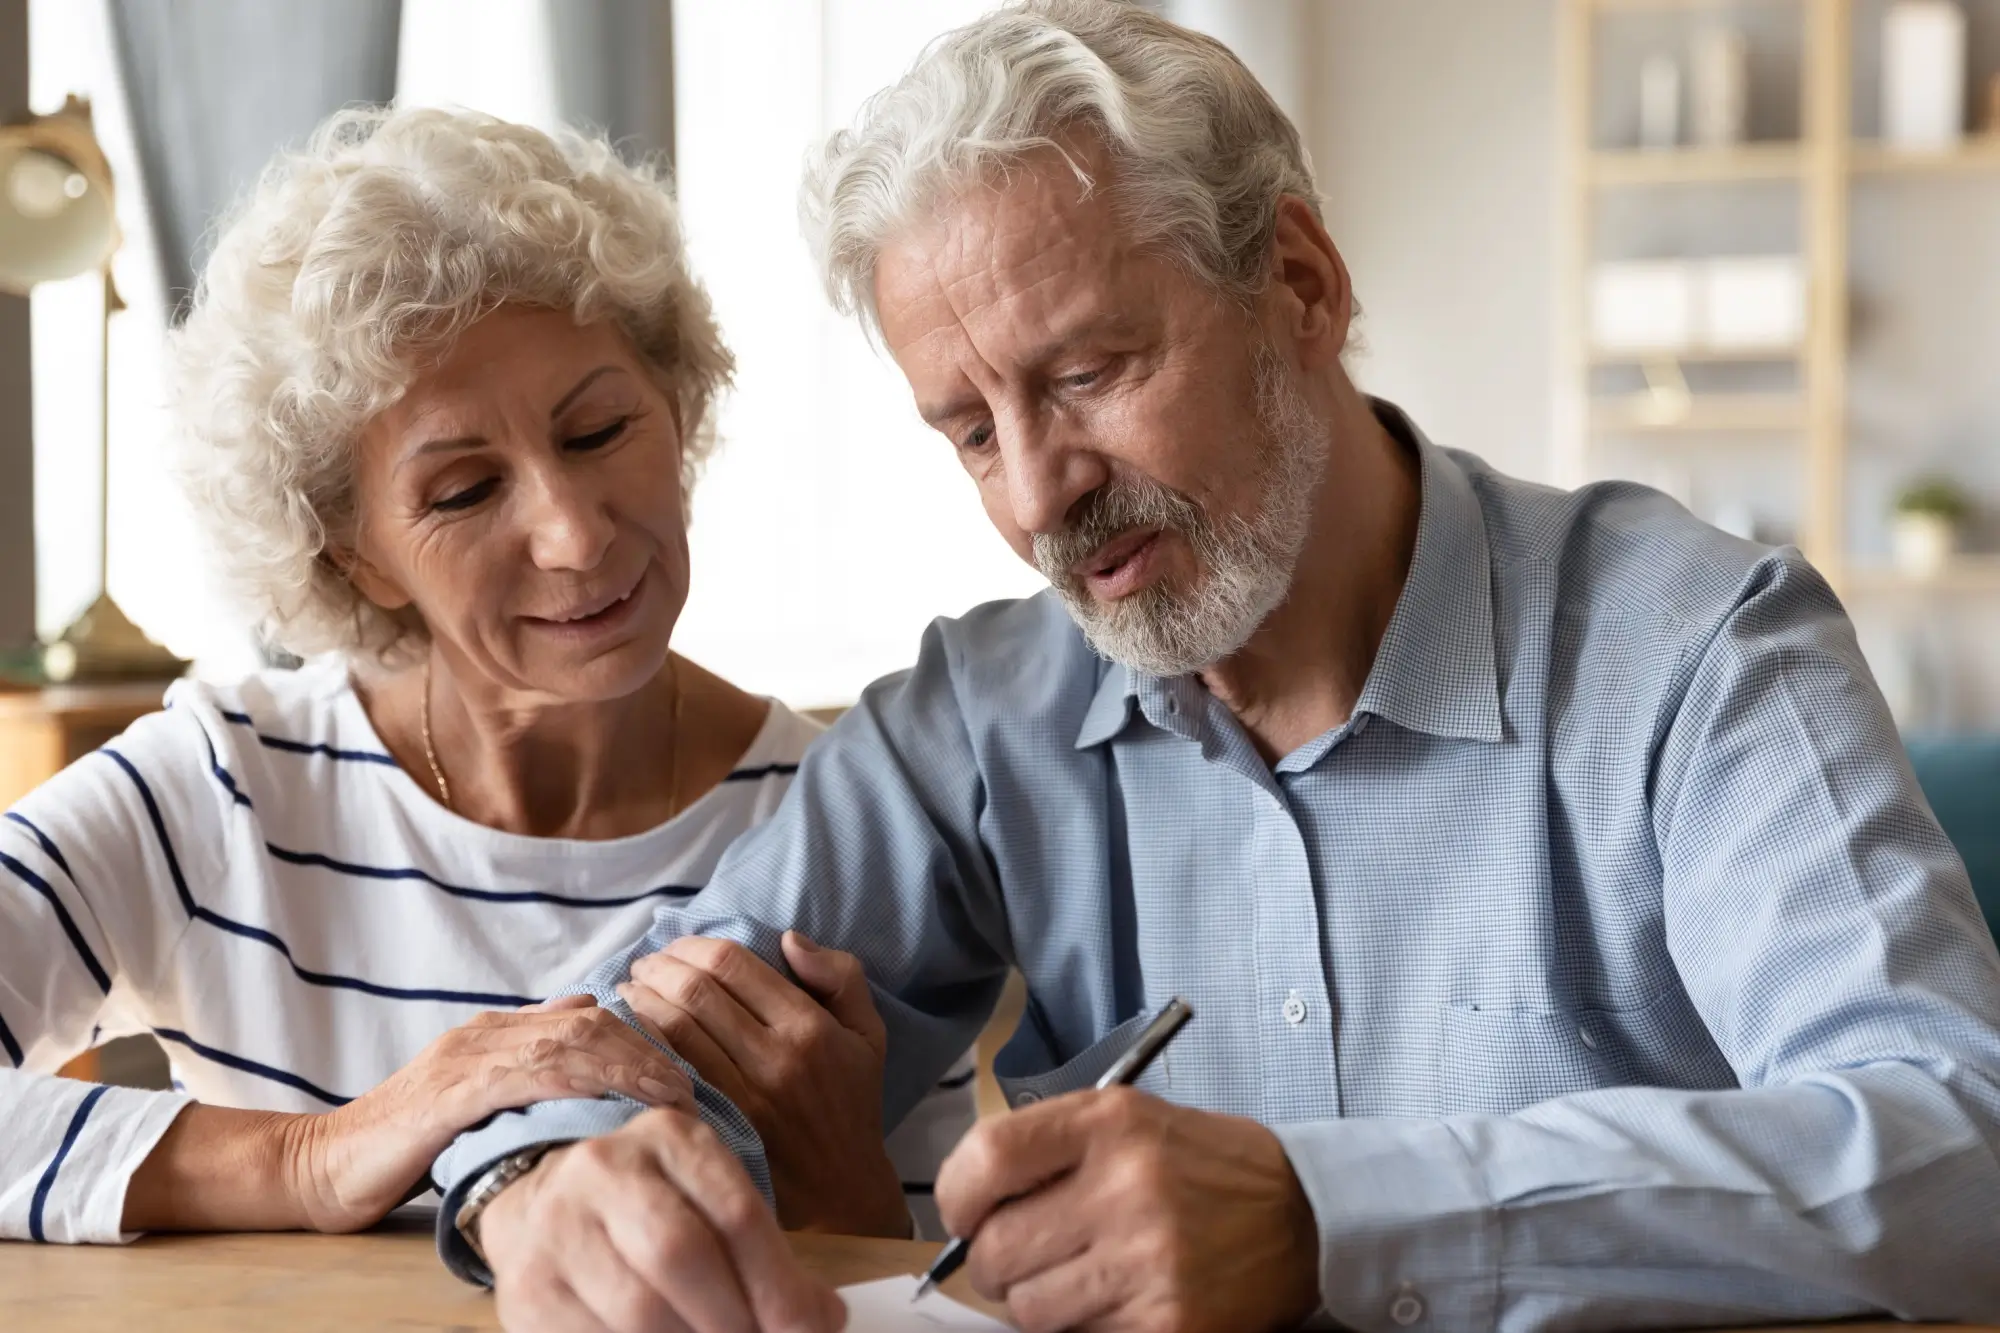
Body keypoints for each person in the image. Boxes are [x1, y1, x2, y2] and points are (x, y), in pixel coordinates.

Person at [437, 3, 2000, 1331]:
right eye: (973, 429)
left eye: (1091, 373)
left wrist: (1335, 1216)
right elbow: (609, 1033)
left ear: (1303, 289)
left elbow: (1961, 1151)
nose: (1041, 492)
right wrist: (539, 1179)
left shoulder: (1697, 649)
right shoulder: (989, 717)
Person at [0, 107, 971, 1255]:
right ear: (350, 550)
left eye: (601, 430)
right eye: (462, 493)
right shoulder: (221, 787)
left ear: (679, 403)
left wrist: (833, 1183)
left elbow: (929, 1295)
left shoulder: (850, 821)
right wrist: (319, 1153)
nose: (572, 533)